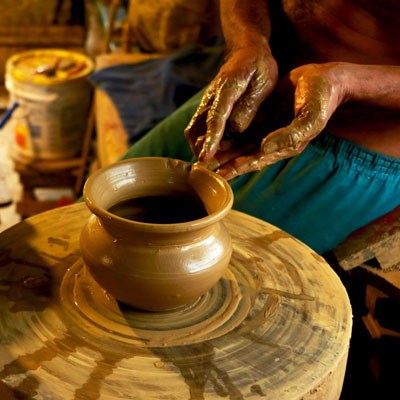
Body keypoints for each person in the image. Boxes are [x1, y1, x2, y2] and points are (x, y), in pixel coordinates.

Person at [122, 0, 400, 255]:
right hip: (255, 87)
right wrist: (247, 42)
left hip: (350, 141)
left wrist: (345, 83)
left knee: (192, 261)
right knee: (107, 210)